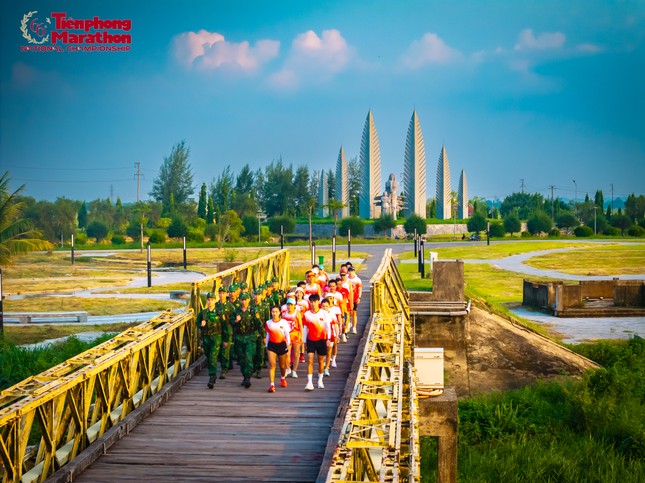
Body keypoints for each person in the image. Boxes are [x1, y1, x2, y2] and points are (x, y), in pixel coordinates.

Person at [196, 292, 228, 388]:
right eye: (208, 300)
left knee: (212, 356)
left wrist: (225, 340)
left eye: (212, 300)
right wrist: (200, 324)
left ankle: (212, 376)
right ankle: (212, 372)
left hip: (216, 338)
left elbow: (224, 326)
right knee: (208, 355)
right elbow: (197, 322)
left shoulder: (219, 312)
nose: (210, 302)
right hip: (206, 338)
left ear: (215, 300)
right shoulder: (203, 313)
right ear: (206, 301)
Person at [232, 292, 263, 388]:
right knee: (241, 359)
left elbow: (259, 324)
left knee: (248, 357)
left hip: (250, 337)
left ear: (249, 300)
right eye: (242, 299)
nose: (244, 302)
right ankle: (245, 375)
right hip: (239, 338)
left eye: (245, 299)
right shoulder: (236, 310)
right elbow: (231, 321)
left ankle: (247, 378)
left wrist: (263, 336)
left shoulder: (253, 310)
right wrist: (236, 320)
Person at [302, 294, 332, 391]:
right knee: (310, 360)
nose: (313, 304)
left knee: (320, 361)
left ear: (318, 302)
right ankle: (309, 382)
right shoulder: (306, 314)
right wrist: (304, 341)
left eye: (315, 301)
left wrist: (328, 338)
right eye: (311, 302)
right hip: (310, 340)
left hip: (321, 340)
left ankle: (320, 380)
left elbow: (328, 326)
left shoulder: (324, 313)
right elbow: (305, 328)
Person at [265, 306, 291, 392]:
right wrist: (266, 345)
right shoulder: (268, 323)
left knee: (282, 366)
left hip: (281, 345)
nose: (274, 313)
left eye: (276, 312)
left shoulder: (284, 322)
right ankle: (272, 385)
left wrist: (289, 343)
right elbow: (268, 334)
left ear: (280, 312)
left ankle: (283, 378)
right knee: (272, 365)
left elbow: (287, 334)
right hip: (271, 345)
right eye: (273, 312)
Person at [215, 286, 234, 378]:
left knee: (225, 350)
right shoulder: (215, 305)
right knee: (218, 351)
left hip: (227, 331)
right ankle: (223, 365)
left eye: (223, 293)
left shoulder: (230, 306)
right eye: (220, 293)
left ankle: (224, 369)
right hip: (217, 332)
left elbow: (233, 318)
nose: (221, 295)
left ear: (226, 294)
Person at [281, 297, 303, 378]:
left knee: (296, 353)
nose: (289, 306)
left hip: (296, 334)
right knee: (287, 353)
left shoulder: (297, 314)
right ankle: (288, 368)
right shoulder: (284, 314)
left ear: (294, 306)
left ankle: (294, 371)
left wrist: (302, 336)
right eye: (288, 305)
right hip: (287, 336)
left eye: (291, 305)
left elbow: (300, 325)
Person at [252, 288, 270, 379]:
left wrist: (266, 334)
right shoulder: (250, 306)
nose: (257, 297)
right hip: (252, 332)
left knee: (260, 352)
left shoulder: (265, 306)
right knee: (252, 351)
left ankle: (258, 370)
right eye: (255, 294)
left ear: (262, 296)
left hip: (262, 331)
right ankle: (253, 368)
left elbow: (267, 320)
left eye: (259, 295)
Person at [347, 266, 363, 334]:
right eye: (349, 271)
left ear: (354, 272)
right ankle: (348, 324)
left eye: (352, 271)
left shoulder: (357, 280)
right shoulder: (346, 279)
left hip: (354, 298)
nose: (351, 273)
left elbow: (360, 289)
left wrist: (359, 297)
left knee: (354, 312)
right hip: (347, 298)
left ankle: (354, 327)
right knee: (347, 313)